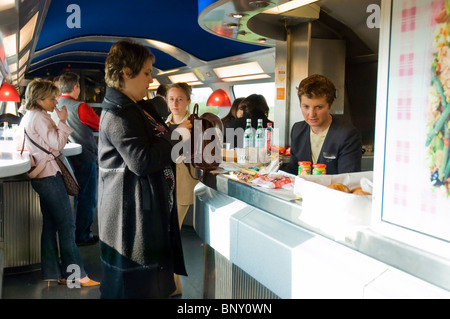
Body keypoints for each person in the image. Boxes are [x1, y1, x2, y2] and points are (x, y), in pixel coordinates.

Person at [98, 38, 190, 299]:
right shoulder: (118, 112)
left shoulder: (135, 108)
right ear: (127, 72)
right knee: (136, 288)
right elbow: (141, 160)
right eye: (147, 73)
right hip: (132, 214)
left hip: (146, 208)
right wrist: (177, 137)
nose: (151, 80)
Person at [18, 78, 99, 287]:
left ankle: (52, 273)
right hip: (49, 176)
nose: (55, 102)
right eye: (52, 99)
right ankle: (75, 276)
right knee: (67, 224)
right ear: (40, 99)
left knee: (51, 224)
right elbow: (57, 144)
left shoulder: (29, 117)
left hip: (40, 176)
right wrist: (62, 121)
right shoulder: (41, 119)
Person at [288, 74, 362, 175]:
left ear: (330, 105)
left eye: (318, 107)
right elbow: (293, 172)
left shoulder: (347, 135)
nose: (312, 114)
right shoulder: (297, 130)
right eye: (306, 106)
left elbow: (347, 179)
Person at [165, 82, 199, 296]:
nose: (175, 103)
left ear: (188, 101)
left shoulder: (197, 126)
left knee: (171, 235)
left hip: (183, 185)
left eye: (179, 99)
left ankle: (174, 285)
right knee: (168, 234)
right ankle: (171, 283)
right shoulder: (161, 124)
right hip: (164, 185)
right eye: (171, 99)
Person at [58, 71, 100, 246]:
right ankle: (82, 235)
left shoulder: (55, 104)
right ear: (76, 87)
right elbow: (101, 125)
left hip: (63, 158)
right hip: (84, 157)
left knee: (67, 199)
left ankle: (68, 235)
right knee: (86, 198)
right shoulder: (81, 107)